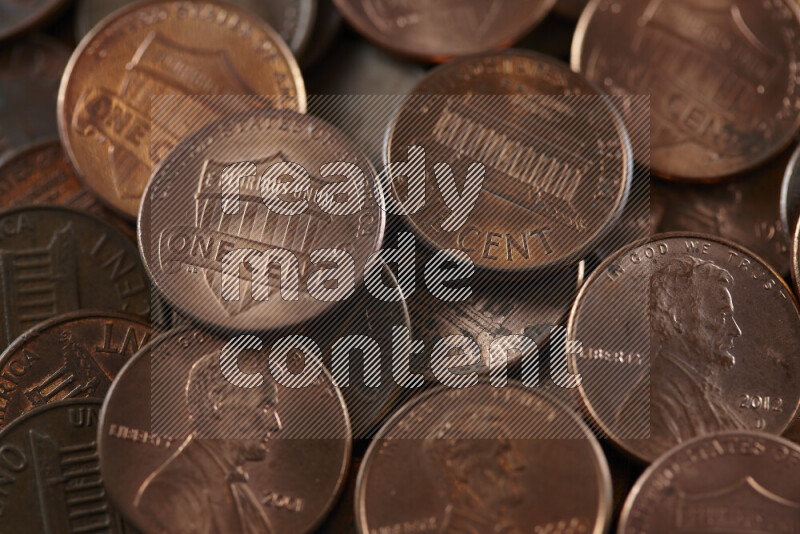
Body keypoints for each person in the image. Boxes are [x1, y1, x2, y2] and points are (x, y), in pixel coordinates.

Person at [134, 351, 282, 534]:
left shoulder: (241, 493)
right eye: (266, 407)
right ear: (217, 402)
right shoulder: (170, 495)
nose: (276, 425)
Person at [616, 256, 747, 451]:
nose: (735, 330)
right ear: (677, 317)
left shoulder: (706, 395)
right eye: (722, 315)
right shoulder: (651, 409)